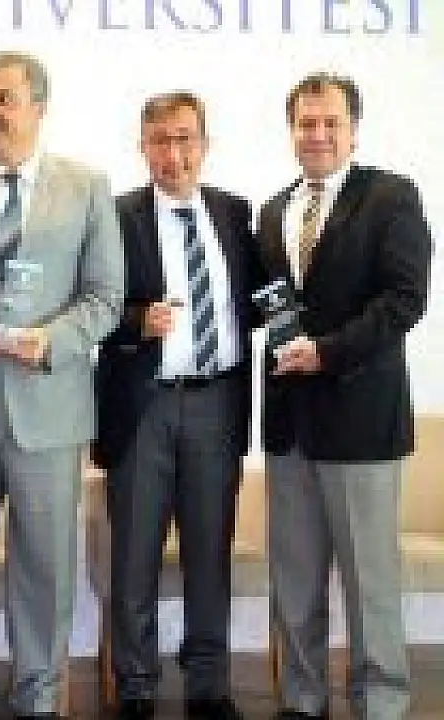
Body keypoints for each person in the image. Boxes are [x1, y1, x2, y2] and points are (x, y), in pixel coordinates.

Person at [0, 50, 125, 719]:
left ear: (39, 106)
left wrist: (54, 341)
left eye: (4, 99)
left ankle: (39, 695)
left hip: (51, 408)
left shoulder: (87, 187)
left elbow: (106, 297)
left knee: (45, 566)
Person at [260, 72, 430, 720]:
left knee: (370, 586)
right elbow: (270, 307)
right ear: (292, 131)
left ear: (354, 130)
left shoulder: (390, 196)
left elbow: (404, 300)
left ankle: (380, 702)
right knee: (295, 582)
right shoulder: (273, 211)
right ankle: (302, 700)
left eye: (331, 122)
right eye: (306, 123)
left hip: (361, 424)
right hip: (290, 428)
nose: (318, 134)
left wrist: (327, 351)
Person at [93, 92, 263, 720]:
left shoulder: (236, 213)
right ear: (142, 148)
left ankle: (208, 685)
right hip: (144, 408)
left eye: (185, 138)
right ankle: (136, 685)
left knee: (209, 552)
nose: (174, 153)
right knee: (134, 554)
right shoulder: (115, 217)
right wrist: (137, 320)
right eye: (160, 140)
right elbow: (92, 305)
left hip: (217, 401)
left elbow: (261, 298)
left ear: (205, 144)